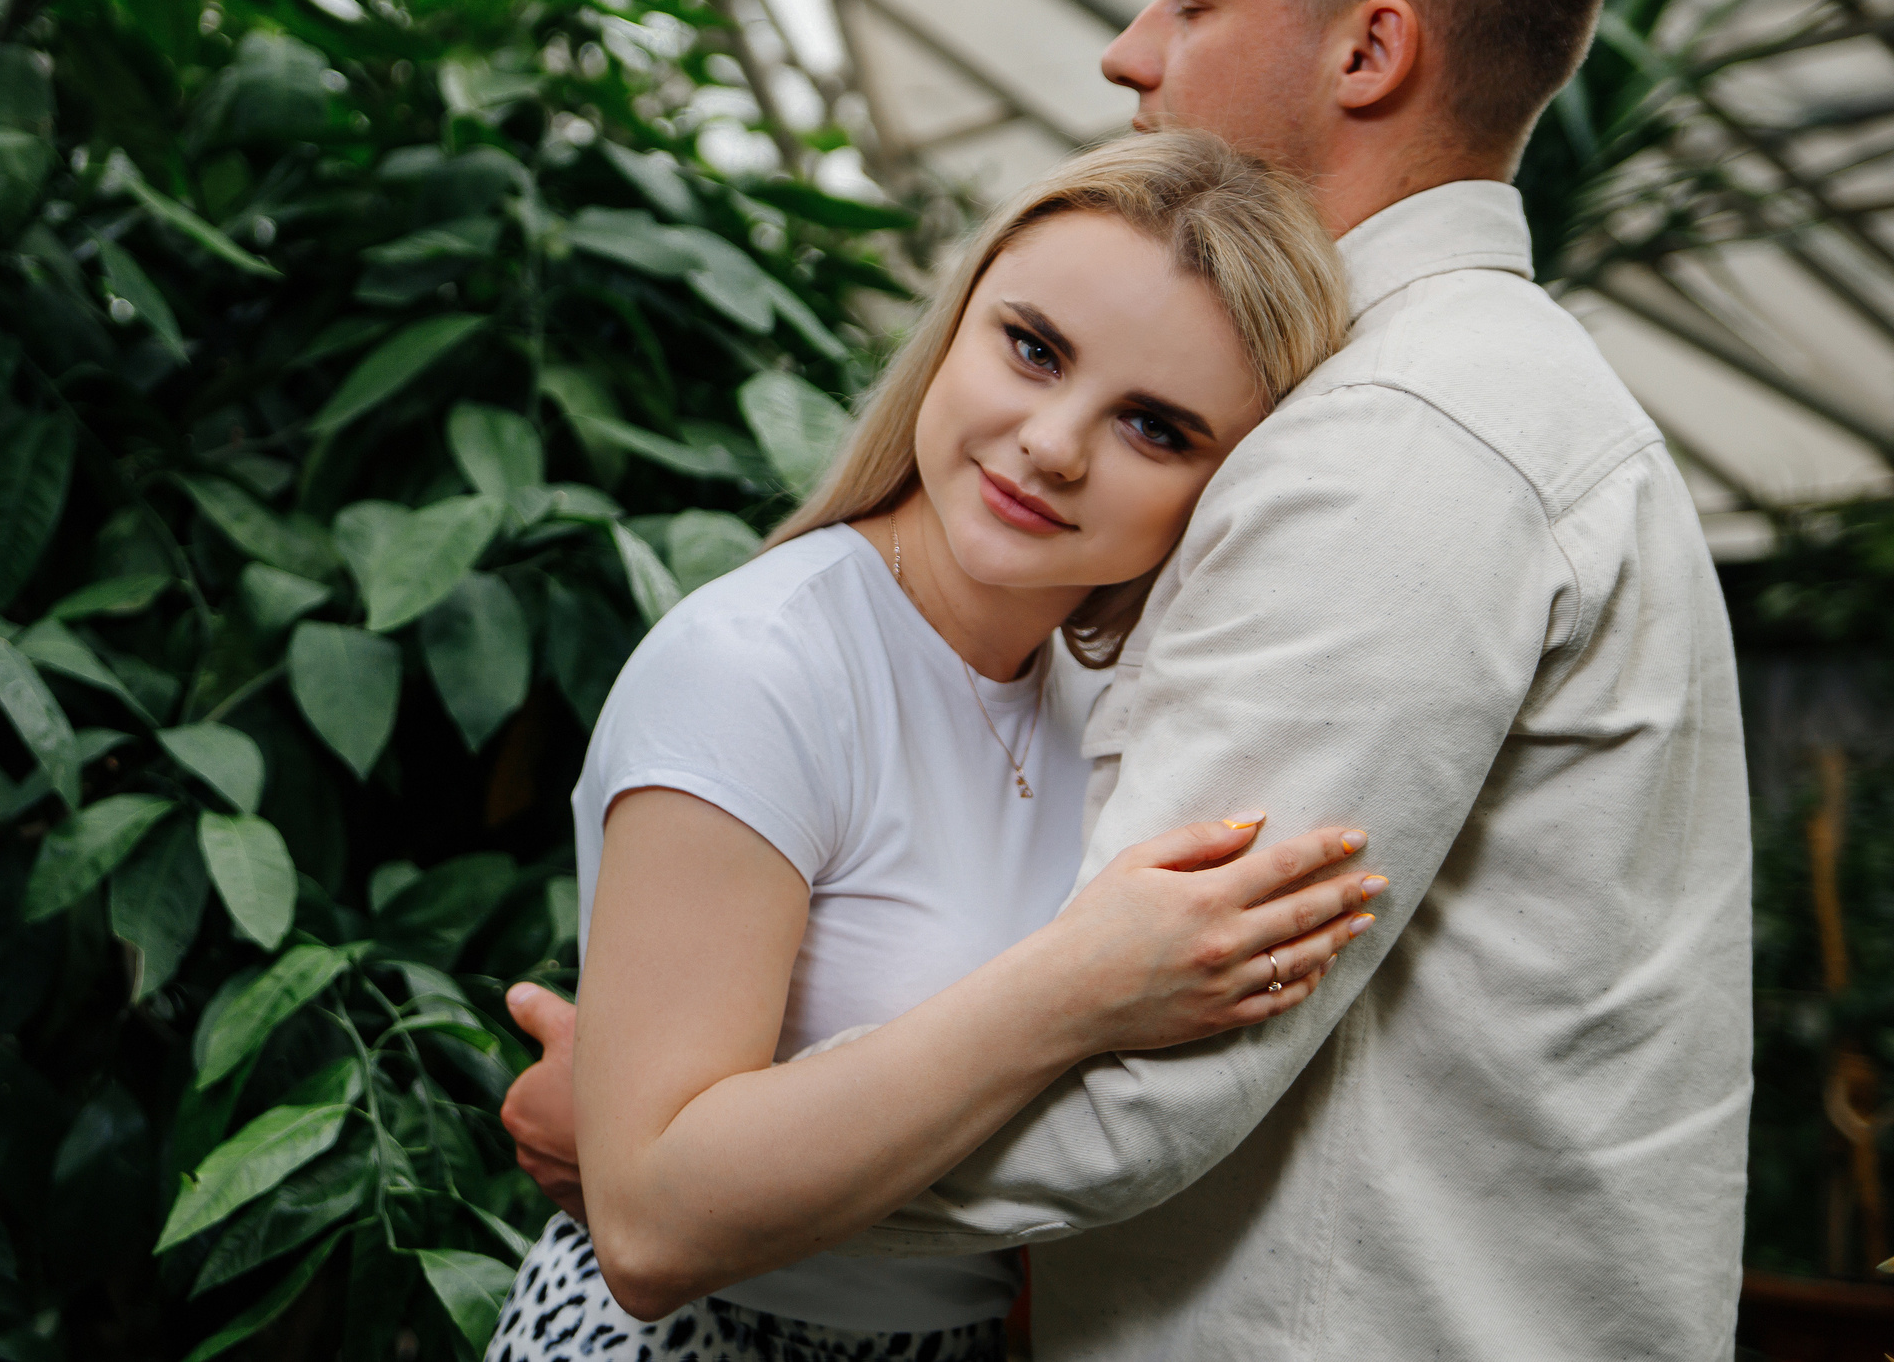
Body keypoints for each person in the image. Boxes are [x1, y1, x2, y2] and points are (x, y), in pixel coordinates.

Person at [501, 0, 1752, 1361]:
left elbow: (1136, 1094)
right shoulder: (1475, 403)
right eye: (1026, 348)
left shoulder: (1396, 435)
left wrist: (675, 1144)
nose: (1128, 51)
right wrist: (684, 1130)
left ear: (1370, 49)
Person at [484, 129, 1372, 1362]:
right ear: (953, 327)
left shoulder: (1112, 713)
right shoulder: (760, 668)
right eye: (1032, 348)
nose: (1054, 444)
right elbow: (647, 1233)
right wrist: (1077, 985)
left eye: (1157, 428)